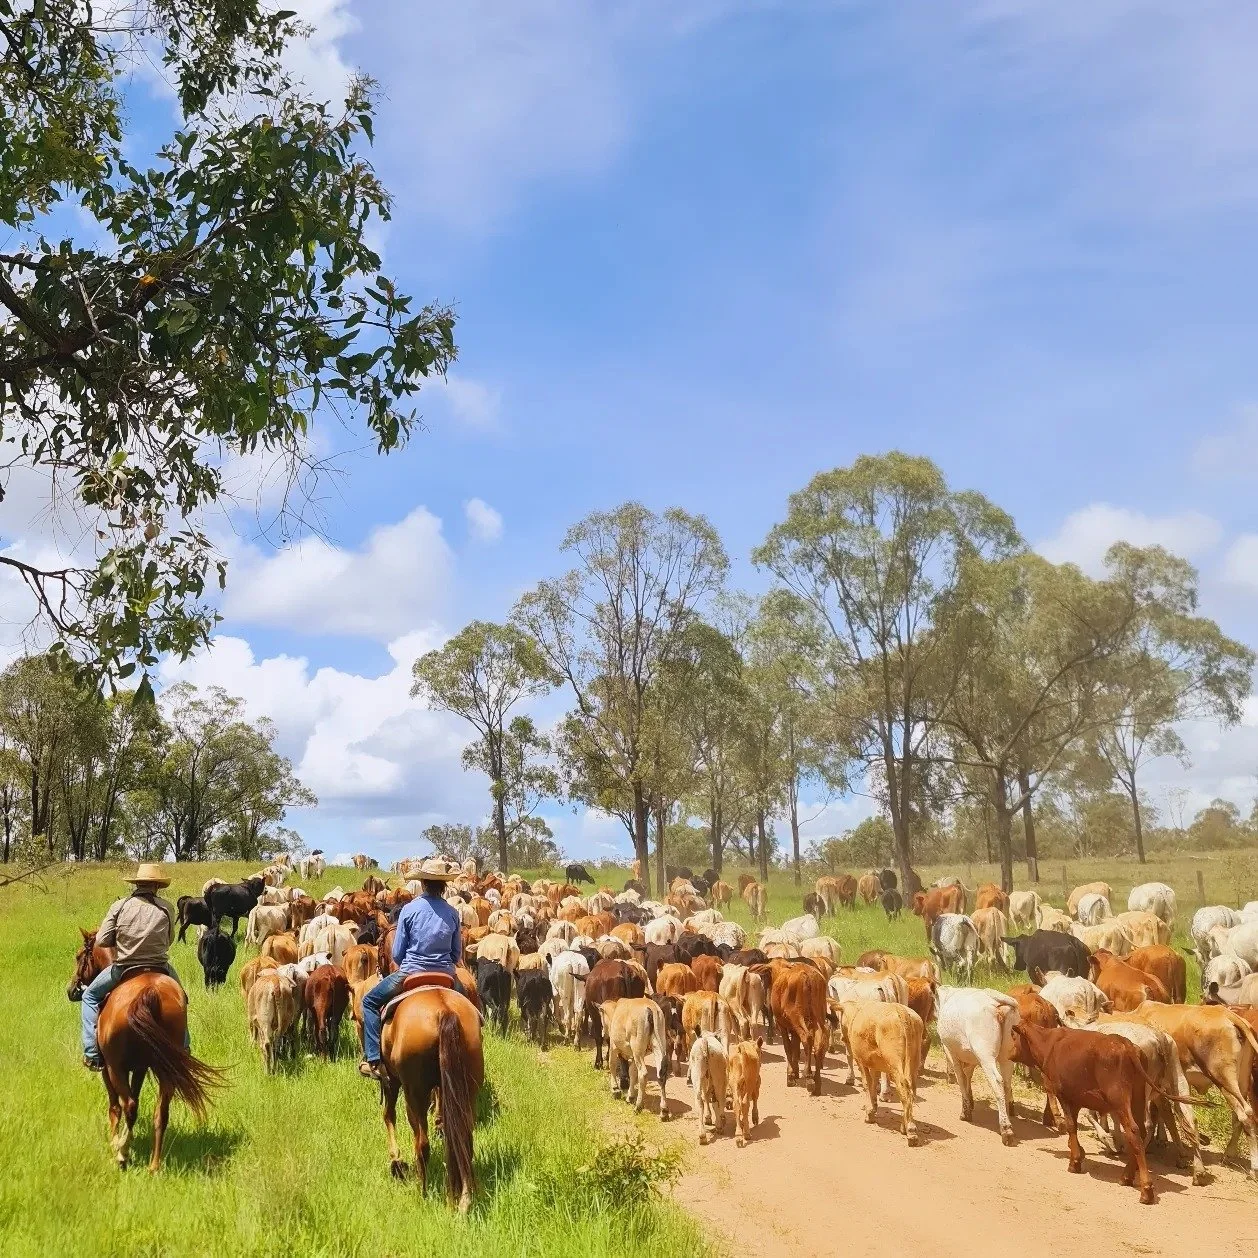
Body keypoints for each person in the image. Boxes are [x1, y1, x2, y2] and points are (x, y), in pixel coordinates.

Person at [359, 857, 464, 1080]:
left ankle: (373, 1059)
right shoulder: (453, 912)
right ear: (443, 885)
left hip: (411, 972)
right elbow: (457, 954)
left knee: (368, 1002)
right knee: (470, 1010)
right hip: (446, 975)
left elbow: (397, 953)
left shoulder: (409, 910)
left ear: (423, 883)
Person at [81, 862, 185, 1070]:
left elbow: (102, 940)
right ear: (156, 886)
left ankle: (92, 1053)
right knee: (181, 998)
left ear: (137, 884)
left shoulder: (119, 907)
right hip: (160, 967)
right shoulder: (166, 907)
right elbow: (169, 939)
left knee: (89, 997)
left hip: (123, 968)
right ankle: (184, 1046)